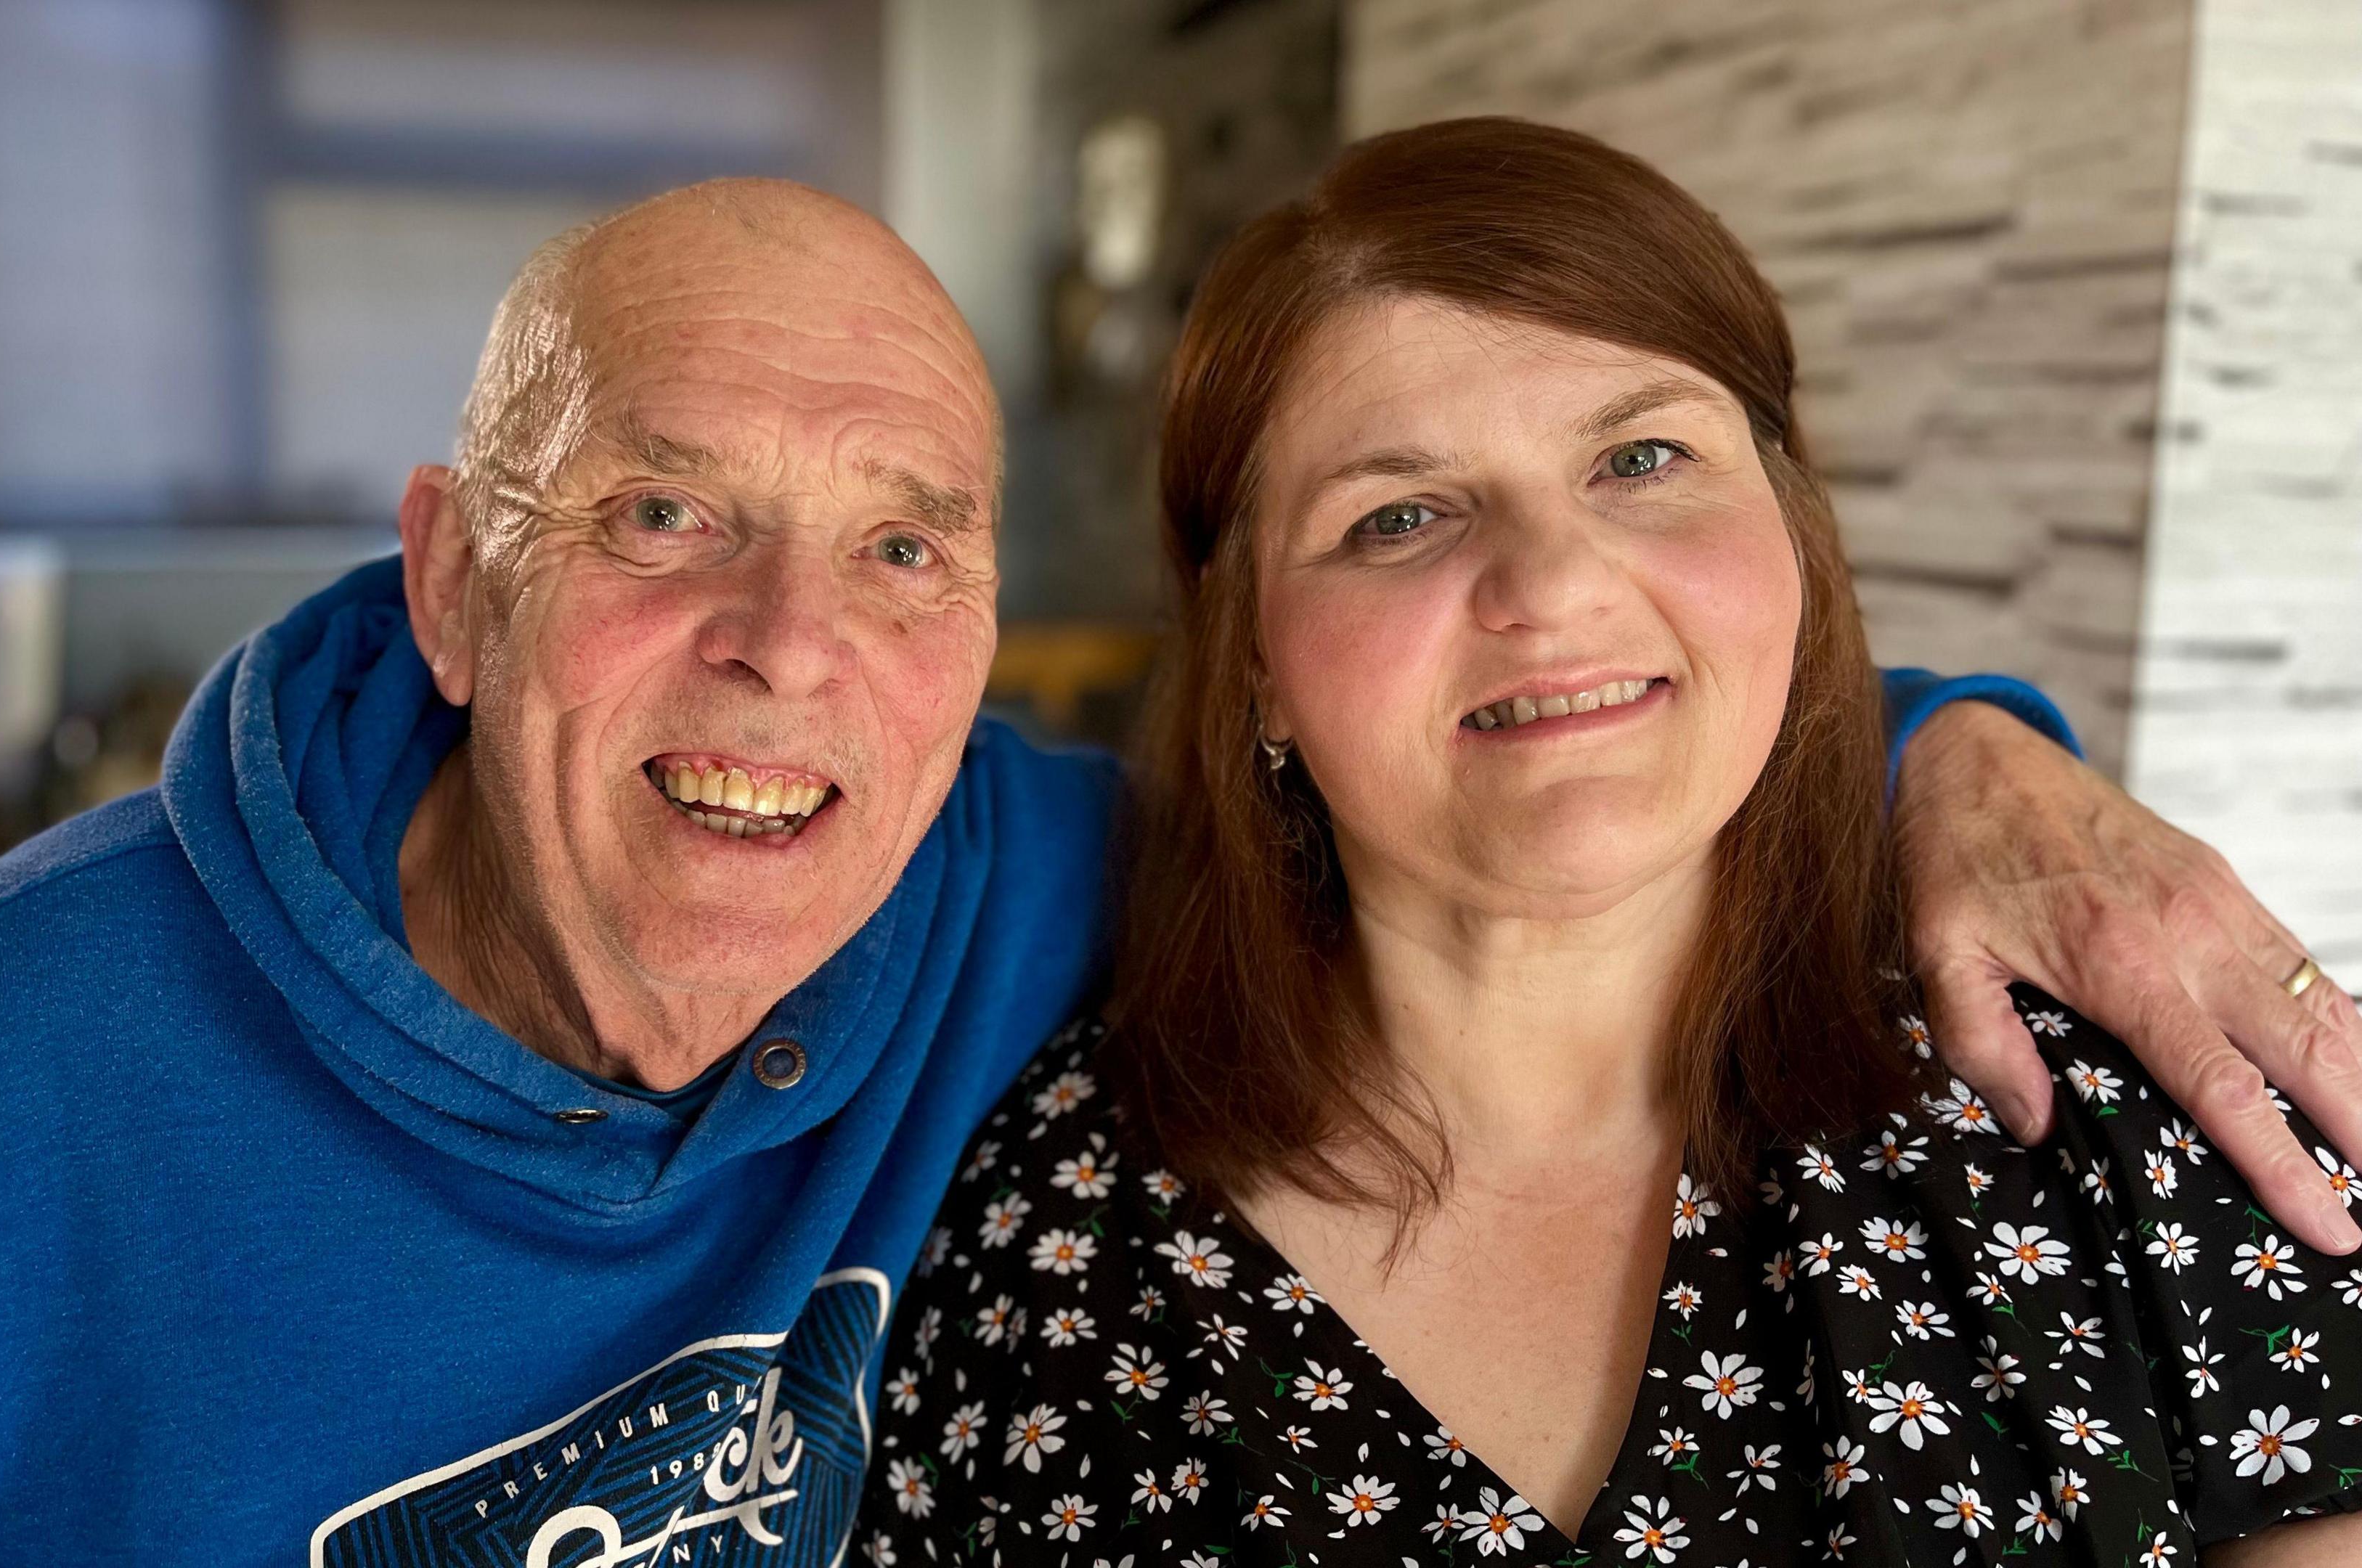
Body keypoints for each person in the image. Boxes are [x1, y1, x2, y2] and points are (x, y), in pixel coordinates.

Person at [0, 179, 2345, 1568]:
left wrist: (1958, 762)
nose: (799, 652)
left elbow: (1542, 763)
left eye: (908, 543)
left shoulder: (1035, 894)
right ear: (453, 575)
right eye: (667, 517)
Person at [862, 121, 2362, 1567]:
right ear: (1251, 654)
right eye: (1398, 517)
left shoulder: (2119, 1110)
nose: (1552, 580)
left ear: (1791, 530)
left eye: (1641, 459)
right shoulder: (1043, 1245)